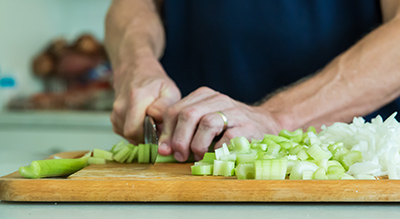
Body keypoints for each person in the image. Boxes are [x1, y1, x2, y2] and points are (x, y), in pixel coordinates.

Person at [105, 0, 400, 162]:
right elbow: (134, 5)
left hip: (351, 172)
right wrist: (136, 62)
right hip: (187, 163)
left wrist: (277, 118)